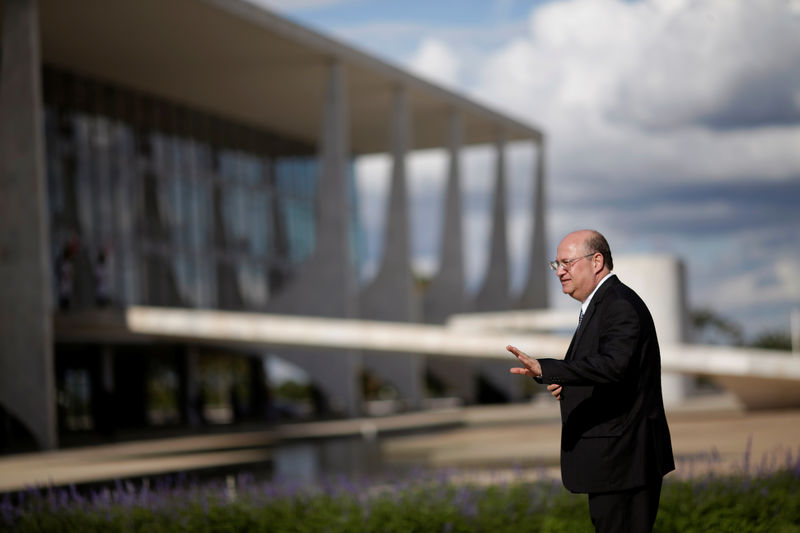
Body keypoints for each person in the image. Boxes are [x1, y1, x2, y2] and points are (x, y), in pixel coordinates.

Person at [507, 229, 674, 533]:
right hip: (616, 463)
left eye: (567, 263)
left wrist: (548, 369)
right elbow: (610, 371)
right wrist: (568, 384)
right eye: (555, 264)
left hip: (624, 462)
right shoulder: (600, 306)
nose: (559, 271)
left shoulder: (618, 305)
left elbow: (614, 366)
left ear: (597, 261)